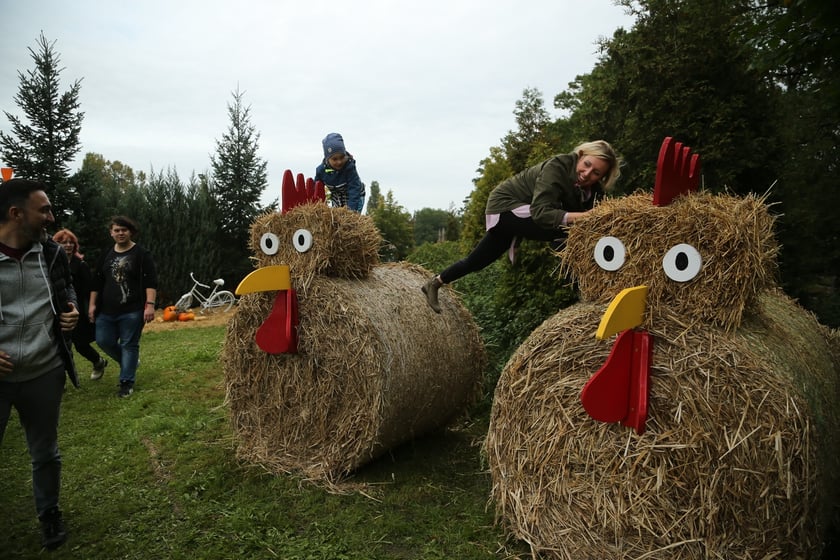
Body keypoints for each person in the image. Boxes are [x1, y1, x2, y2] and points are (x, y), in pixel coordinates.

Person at [422, 140, 622, 313]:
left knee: (477, 261)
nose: (587, 174)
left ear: (602, 177)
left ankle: (435, 282)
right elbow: (541, 213)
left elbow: (597, 222)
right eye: (586, 164)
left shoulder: (593, 191)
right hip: (506, 208)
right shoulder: (558, 166)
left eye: (596, 173)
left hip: (524, 215)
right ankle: (586, 292)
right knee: (565, 231)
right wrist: (585, 217)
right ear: (580, 155)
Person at [0, 178, 80, 551]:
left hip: (45, 371)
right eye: (43, 209)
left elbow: (65, 291)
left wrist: (72, 311)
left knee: (45, 451)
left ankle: (49, 513)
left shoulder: (51, 254)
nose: (50, 217)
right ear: (16, 214)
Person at [89, 216, 157, 398]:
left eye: (124, 230)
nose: (120, 233)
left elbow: (151, 281)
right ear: (111, 232)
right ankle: (130, 363)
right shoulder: (106, 254)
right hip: (106, 311)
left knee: (129, 345)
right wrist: (92, 305)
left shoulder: (142, 254)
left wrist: (150, 305)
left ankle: (126, 383)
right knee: (103, 341)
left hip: (133, 310)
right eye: (116, 230)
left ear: (130, 232)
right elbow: (96, 281)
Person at [53, 228, 108, 380]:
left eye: (71, 242)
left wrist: (90, 309)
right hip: (57, 309)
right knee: (58, 346)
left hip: (78, 311)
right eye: (63, 242)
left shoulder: (80, 265)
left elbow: (90, 290)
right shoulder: (51, 264)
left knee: (80, 344)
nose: (68, 245)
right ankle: (60, 380)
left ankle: (98, 361)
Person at [315, 132, 366, 213]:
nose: (339, 162)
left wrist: (350, 211)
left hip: (355, 195)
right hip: (337, 195)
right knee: (336, 218)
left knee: (350, 220)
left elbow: (354, 189)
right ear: (327, 159)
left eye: (342, 157)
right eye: (335, 159)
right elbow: (316, 188)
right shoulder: (321, 171)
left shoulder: (349, 168)